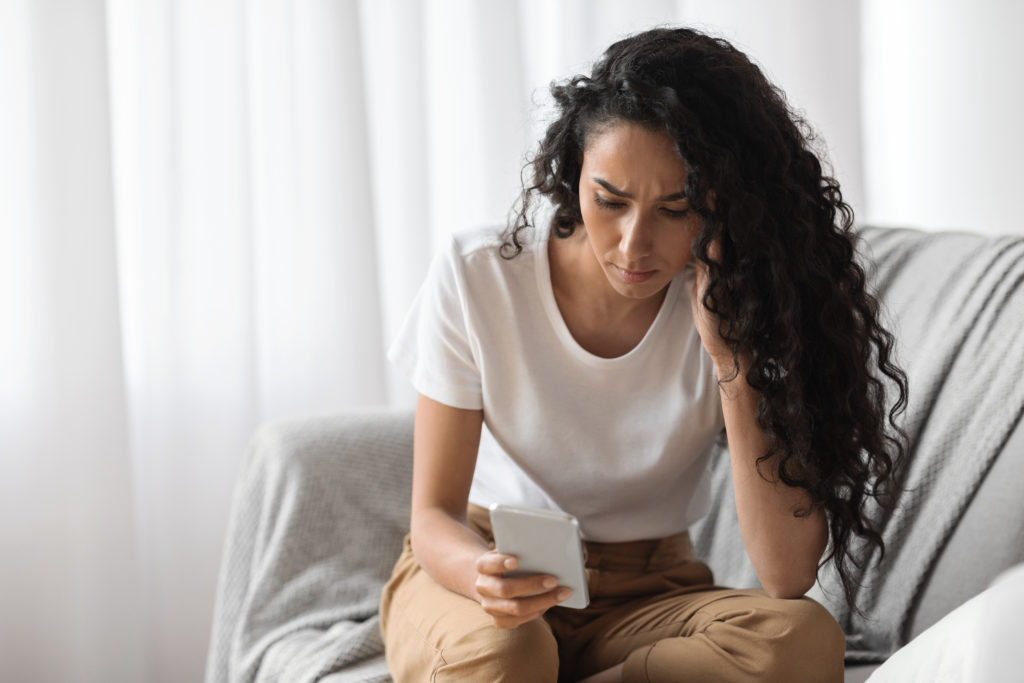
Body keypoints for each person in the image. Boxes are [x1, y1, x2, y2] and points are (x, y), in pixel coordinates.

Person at [379, 26, 908, 683]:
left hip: (648, 595)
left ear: (720, 205)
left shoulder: (733, 303)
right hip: (486, 574)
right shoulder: (479, 274)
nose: (634, 246)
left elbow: (787, 573)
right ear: (574, 175)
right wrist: (479, 573)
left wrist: (731, 360)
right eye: (611, 200)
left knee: (799, 641)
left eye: (675, 208)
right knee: (507, 652)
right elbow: (432, 518)